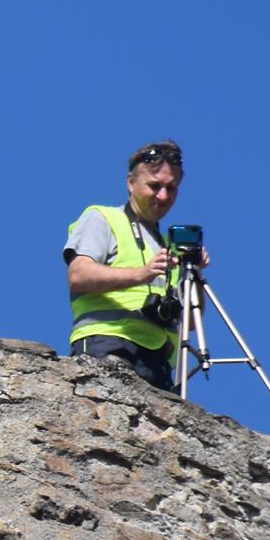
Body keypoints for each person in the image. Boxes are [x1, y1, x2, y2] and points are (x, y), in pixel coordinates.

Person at [64, 140, 211, 391]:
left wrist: (194, 273)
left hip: (159, 361)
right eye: (154, 186)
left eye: (171, 188)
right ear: (131, 183)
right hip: (107, 343)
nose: (163, 196)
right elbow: (79, 275)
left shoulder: (170, 249)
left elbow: (190, 323)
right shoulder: (103, 218)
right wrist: (142, 274)